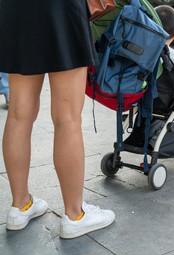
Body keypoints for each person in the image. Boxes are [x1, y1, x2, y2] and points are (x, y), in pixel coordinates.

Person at [0, 1, 115, 239]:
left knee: (19, 114)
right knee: (67, 118)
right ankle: (75, 215)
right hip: (60, 9)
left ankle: (20, 206)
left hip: (16, 9)